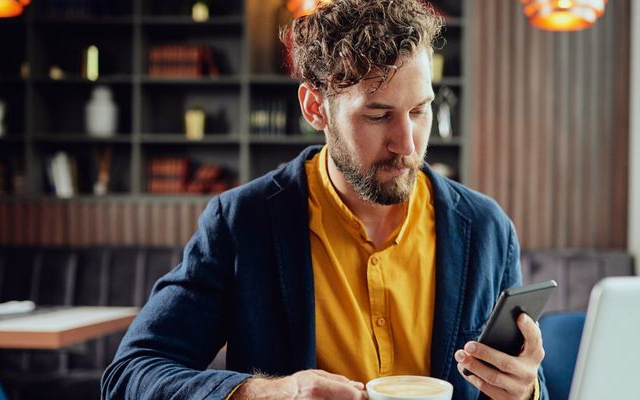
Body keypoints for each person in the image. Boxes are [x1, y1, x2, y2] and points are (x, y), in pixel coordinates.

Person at [101, 1, 548, 399]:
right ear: (315, 108)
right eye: (378, 115)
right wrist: (268, 393)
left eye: (419, 110)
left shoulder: (488, 227)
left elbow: (520, 381)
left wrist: (524, 390)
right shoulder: (242, 223)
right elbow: (129, 376)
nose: (407, 144)